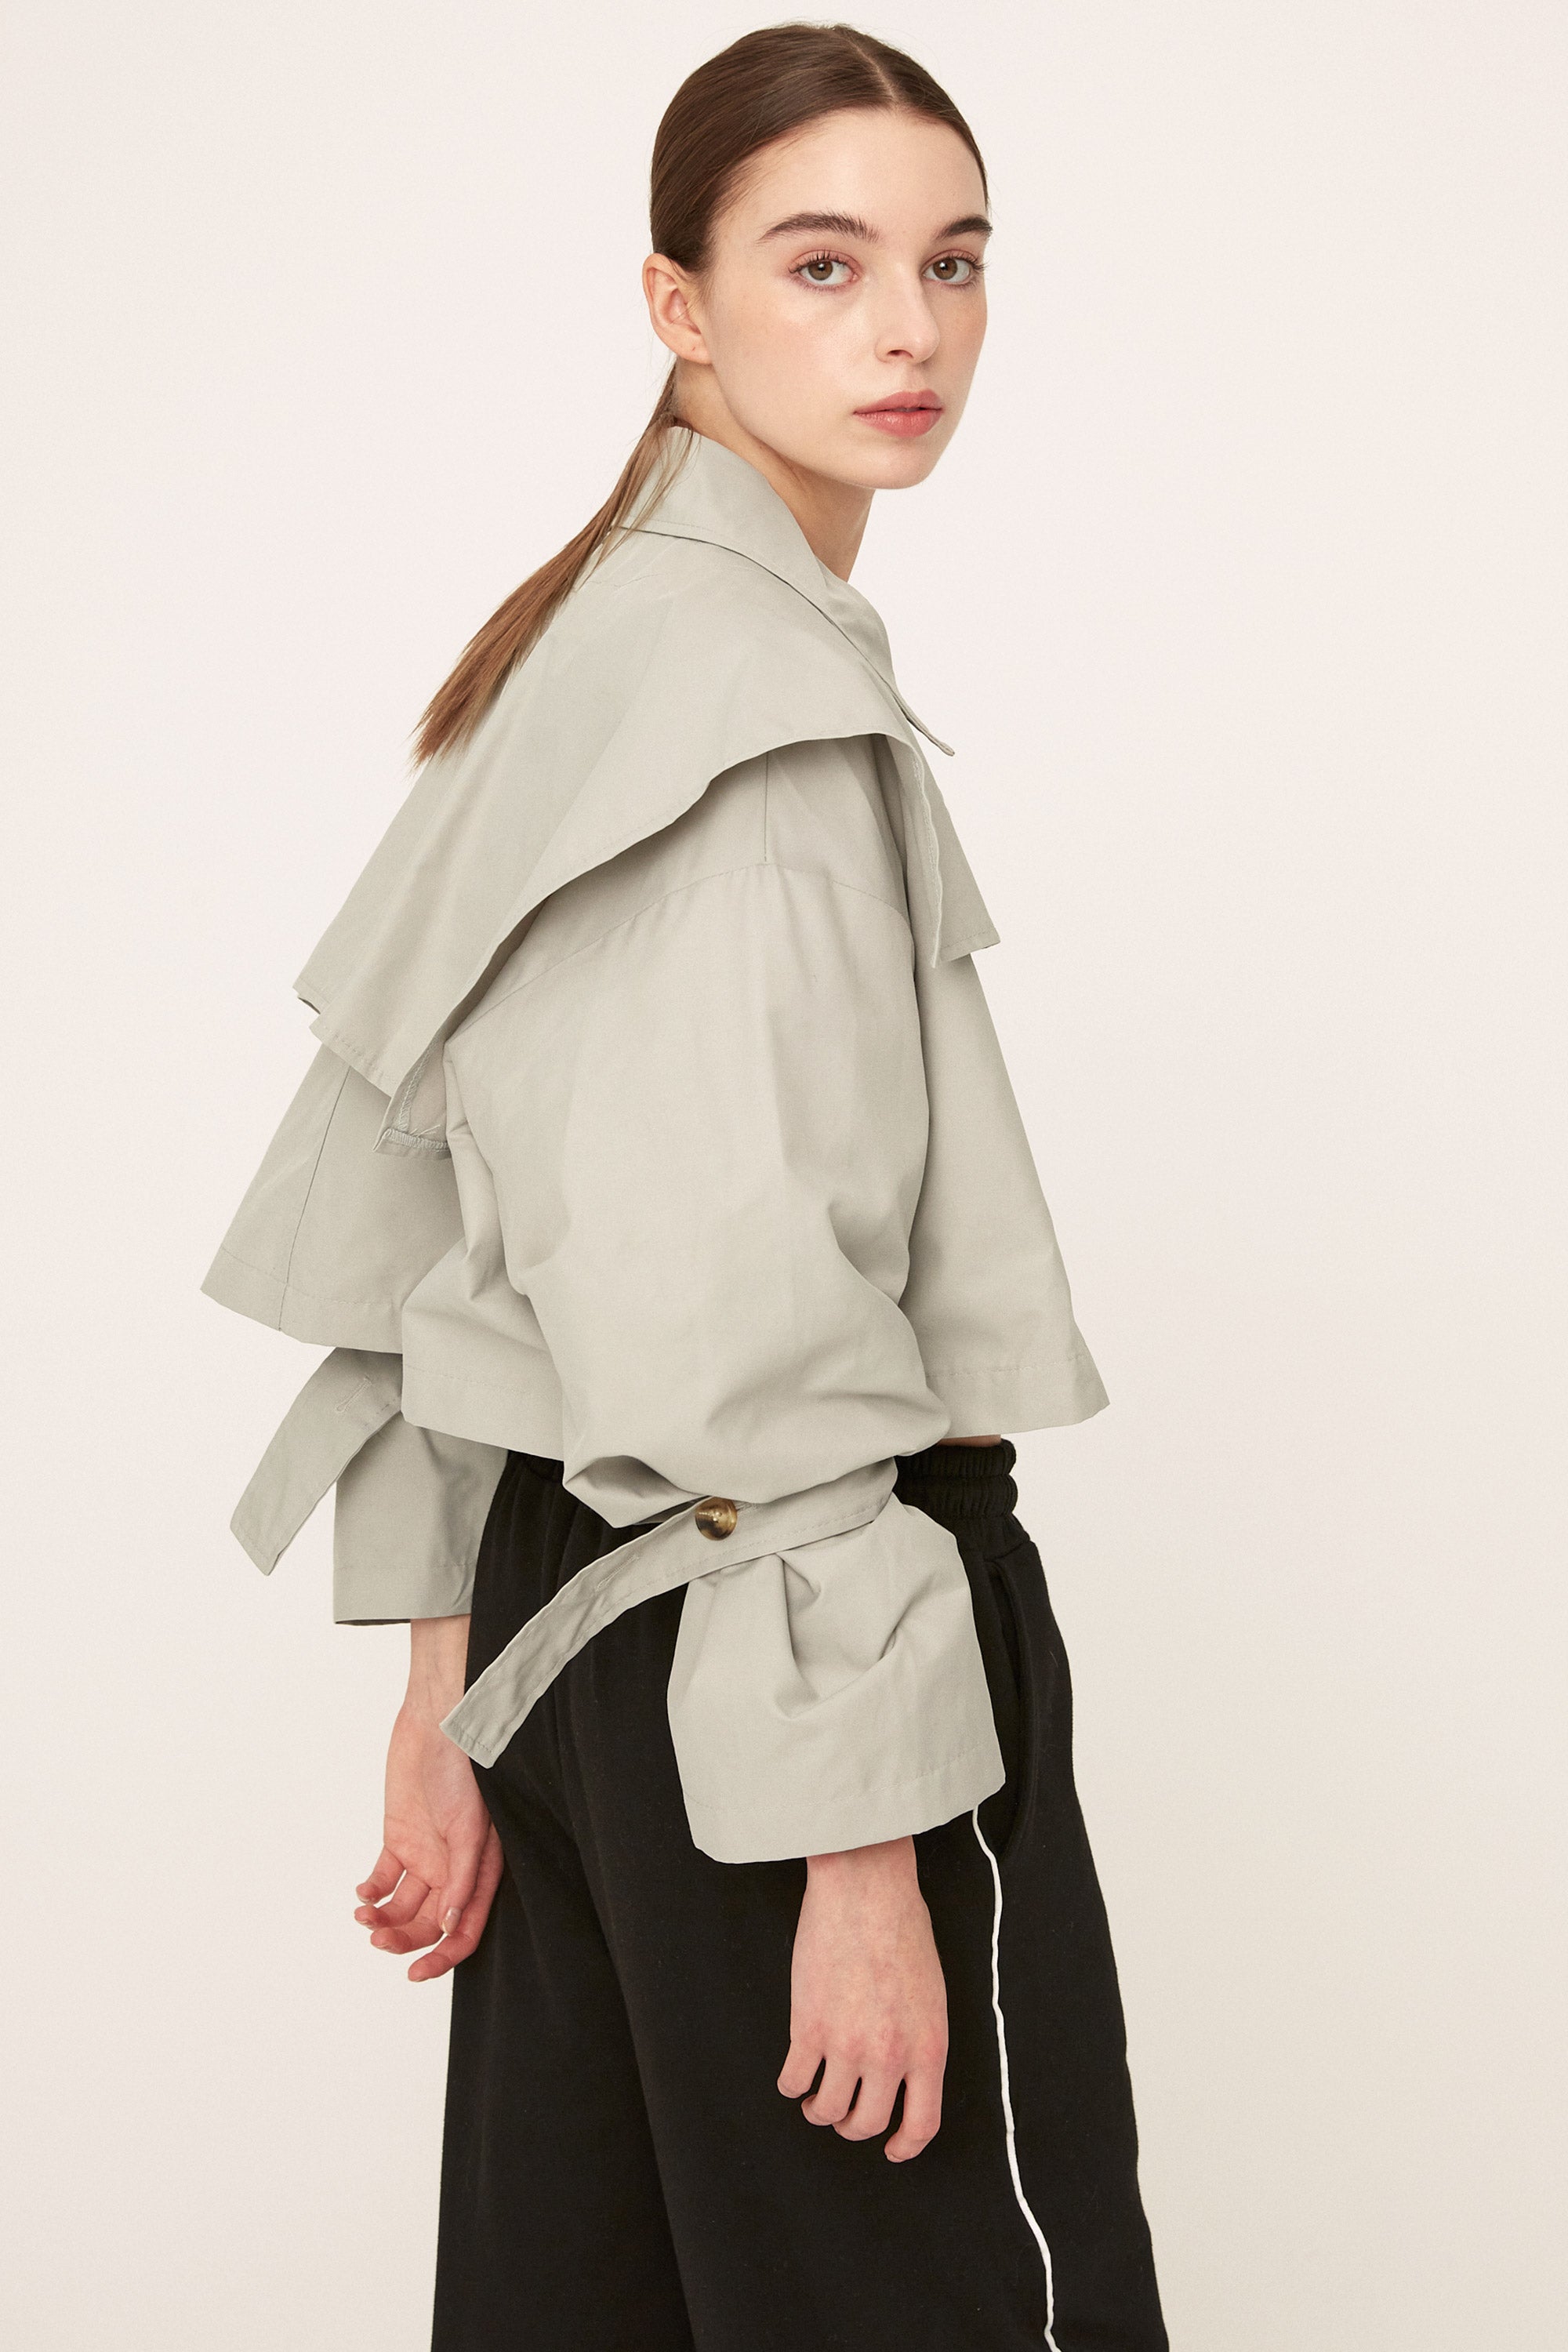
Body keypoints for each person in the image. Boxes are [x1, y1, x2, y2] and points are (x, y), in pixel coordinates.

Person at [203, 22, 1168, 2350]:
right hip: (775, 1665)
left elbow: (431, 1228)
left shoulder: (581, 656)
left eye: (953, 262)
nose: (909, 329)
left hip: (576, 1631)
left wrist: (448, 1700)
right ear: (680, 303)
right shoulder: (751, 710)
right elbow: (742, 1306)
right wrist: (862, 1849)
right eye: (822, 265)